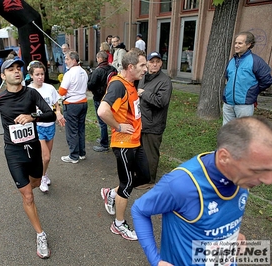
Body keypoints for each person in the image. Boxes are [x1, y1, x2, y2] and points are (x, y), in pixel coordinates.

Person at [131, 116, 272, 266]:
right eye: (258, 171)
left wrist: (230, 236)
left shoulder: (242, 178)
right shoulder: (181, 184)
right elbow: (139, 210)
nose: (268, 181)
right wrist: (156, 261)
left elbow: (218, 222)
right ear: (224, 157)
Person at [0, 58, 56, 259]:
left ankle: (28, 185)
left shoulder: (32, 93)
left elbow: (50, 114)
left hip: (33, 149)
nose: (16, 72)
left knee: (35, 182)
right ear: (2, 75)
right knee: (28, 195)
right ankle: (40, 234)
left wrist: (33, 117)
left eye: (19, 68)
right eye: (11, 69)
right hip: (13, 152)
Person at [98, 48, 150, 241]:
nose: (145, 69)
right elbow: (103, 111)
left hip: (136, 140)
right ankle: (118, 224)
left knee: (145, 176)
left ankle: (111, 193)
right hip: (123, 143)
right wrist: (119, 126)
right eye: (142, 65)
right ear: (130, 67)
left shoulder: (130, 83)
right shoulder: (118, 85)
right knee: (127, 184)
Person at [135, 51, 172, 190]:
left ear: (161, 63)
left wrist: (144, 93)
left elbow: (161, 101)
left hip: (154, 123)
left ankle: (149, 180)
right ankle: (141, 175)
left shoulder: (165, 81)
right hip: (142, 121)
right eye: (151, 62)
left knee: (150, 153)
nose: (154, 64)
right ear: (147, 64)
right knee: (141, 151)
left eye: (157, 61)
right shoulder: (144, 77)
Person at [27, 60, 66, 193]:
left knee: (47, 156)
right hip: (37, 126)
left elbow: (56, 104)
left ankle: (44, 173)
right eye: (37, 74)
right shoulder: (28, 91)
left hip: (50, 125)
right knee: (46, 157)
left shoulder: (49, 88)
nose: (40, 77)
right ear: (31, 75)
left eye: (42, 74)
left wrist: (58, 113)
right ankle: (42, 177)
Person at [222, 31, 272, 125]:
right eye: (236, 43)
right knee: (227, 129)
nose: (236, 45)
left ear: (248, 44)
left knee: (243, 131)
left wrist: (253, 91)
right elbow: (229, 78)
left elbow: (267, 80)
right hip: (228, 102)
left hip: (244, 105)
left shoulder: (256, 61)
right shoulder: (232, 61)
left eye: (240, 43)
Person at [59, 50, 88, 163]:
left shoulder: (69, 73)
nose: (65, 61)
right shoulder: (83, 72)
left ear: (74, 60)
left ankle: (73, 155)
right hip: (83, 102)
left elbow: (62, 91)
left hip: (71, 104)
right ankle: (81, 153)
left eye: (67, 59)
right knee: (80, 129)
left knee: (72, 131)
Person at [87, 51, 117, 152]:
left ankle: (104, 144)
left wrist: (90, 76)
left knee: (102, 122)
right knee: (113, 120)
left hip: (100, 98)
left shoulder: (98, 70)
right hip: (112, 98)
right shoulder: (113, 69)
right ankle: (113, 140)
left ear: (99, 58)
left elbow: (91, 85)